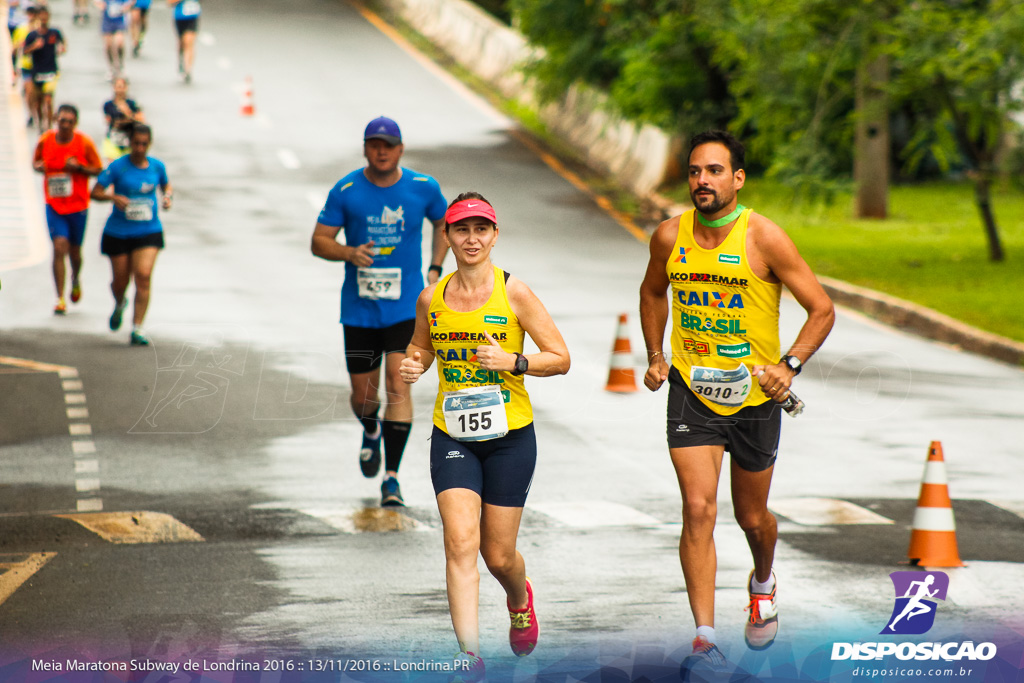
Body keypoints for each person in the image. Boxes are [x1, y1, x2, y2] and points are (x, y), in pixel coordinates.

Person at [638, 130, 835, 675]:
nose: (703, 180)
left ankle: (763, 580)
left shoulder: (765, 238)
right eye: (696, 171)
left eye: (715, 171)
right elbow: (653, 292)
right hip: (692, 391)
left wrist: (788, 366)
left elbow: (821, 309)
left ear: (737, 179)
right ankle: (704, 638)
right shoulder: (669, 236)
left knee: (752, 518)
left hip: (753, 400)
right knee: (698, 508)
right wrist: (657, 354)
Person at [400, 193, 570, 681]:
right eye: (461, 230)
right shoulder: (432, 298)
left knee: (497, 555)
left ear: (495, 235)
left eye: (481, 229)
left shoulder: (513, 293)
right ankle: (469, 657)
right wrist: (416, 364)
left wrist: (513, 361)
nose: (471, 239)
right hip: (452, 432)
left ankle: (519, 597)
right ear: (448, 237)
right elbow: (420, 346)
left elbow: (560, 357)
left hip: (510, 436)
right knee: (459, 541)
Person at [311, 116, 448, 507]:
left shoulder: (423, 187)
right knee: (364, 397)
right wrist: (348, 252)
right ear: (365, 148)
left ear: (401, 148)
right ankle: (370, 429)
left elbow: (443, 223)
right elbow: (319, 241)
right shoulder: (347, 190)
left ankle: (392, 477)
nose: (382, 151)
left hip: (407, 309)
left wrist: (435, 269)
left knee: (398, 385)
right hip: (359, 311)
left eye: (389, 144)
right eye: (375, 144)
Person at [90, 123, 173, 346]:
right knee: (120, 282)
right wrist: (112, 198)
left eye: (144, 144)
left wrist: (167, 198)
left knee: (143, 276)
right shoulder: (118, 167)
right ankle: (119, 303)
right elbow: (95, 192)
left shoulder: (157, 167)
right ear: (130, 143)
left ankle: (138, 328)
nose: (139, 148)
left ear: (149, 144)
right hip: (118, 232)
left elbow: (166, 186)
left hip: (148, 230)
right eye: (136, 143)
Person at [32, 103, 103, 315]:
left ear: (75, 124)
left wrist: (79, 168)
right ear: (56, 120)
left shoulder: (84, 143)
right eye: (62, 121)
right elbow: (35, 162)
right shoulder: (45, 141)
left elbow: (98, 169)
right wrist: (38, 167)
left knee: (74, 252)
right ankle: (60, 297)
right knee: (59, 246)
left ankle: (75, 277)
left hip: (78, 205)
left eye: (69, 122)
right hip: (54, 205)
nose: (65, 125)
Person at [22, 6, 65, 132]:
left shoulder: (54, 32)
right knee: (38, 102)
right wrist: (35, 46)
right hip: (37, 72)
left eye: (46, 15)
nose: (44, 18)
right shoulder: (32, 35)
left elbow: (63, 44)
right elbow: (24, 51)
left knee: (48, 100)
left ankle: (49, 126)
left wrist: (62, 48)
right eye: (41, 15)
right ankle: (40, 122)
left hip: (51, 71)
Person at [101, 76, 144, 162]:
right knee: (112, 165)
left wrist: (127, 112)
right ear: (114, 88)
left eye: (122, 87)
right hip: (113, 138)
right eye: (118, 87)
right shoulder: (108, 104)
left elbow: (141, 120)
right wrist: (126, 120)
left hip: (129, 138)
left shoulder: (132, 103)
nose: (120, 90)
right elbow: (109, 121)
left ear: (126, 88)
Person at [97, 0, 133, 79]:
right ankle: (111, 67)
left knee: (119, 43)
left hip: (119, 20)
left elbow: (131, 2)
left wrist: (126, 7)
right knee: (108, 45)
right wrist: (100, 5)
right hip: (107, 20)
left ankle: (120, 65)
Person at [167, 0, 199, 83]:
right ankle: (181, 59)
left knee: (189, 42)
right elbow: (169, 3)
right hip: (179, 17)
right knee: (182, 43)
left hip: (193, 17)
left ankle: (188, 70)